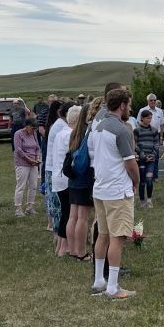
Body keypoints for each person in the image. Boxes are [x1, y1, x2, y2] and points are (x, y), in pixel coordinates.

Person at [89, 88, 140, 300]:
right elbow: (130, 163)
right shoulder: (121, 130)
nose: (130, 109)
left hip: (100, 187)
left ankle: (98, 280)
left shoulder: (97, 127)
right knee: (117, 238)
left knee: (102, 234)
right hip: (117, 190)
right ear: (122, 105)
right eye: (129, 105)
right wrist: (136, 181)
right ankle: (112, 287)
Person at [63, 104, 95, 260]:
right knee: (83, 217)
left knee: (72, 216)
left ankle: (72, 249)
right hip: (84, 177)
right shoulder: (88, 132)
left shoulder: (74, 132)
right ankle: (81, 252)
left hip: (73, 177)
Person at [45, 103, 76, 257]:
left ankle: (61, 245)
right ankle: (64, 246)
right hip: (64, 177)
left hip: (58, 175)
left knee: (65, 212)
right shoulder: (67, 132)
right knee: (67, 213)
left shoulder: (61, 130)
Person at [12, 117, 42, 217]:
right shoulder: (18, 134)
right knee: (21, 186)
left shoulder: (33, 134)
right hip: (22, 163)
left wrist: (37, 158)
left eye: (35, 129)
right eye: (32, 128)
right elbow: (18, 150)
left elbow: (37, 147)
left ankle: (30, 207)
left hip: (34, 163)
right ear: (27, 126)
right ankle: (18, 208)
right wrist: (29, 160)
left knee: (33, 186)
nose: (33, 130)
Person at [135, 108, 161, 208]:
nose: (149, 120)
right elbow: (135, 145)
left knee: (149, 180)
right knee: (142, 181)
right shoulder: (137, 130)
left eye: (151, 118)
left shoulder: (154, 130)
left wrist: (153, 154)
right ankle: (142, 201)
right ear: (142, 118)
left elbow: (156, 144)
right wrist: (143, 156)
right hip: (142, 159)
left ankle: (149, 200)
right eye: (148, 118)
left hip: (151, 159)